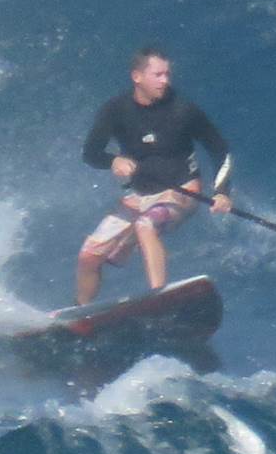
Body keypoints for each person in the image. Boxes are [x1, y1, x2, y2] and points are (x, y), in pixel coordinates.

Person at [76, 44, 235, 304]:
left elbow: (220, 150)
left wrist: (222, 192)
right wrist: (113, 160)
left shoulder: (183, 111)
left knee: (145, 225)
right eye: (158, 75)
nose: (165, 81)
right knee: (88, 255)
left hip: (182, 192)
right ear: (137, 76)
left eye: (167, 74)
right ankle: (79, 314)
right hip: (139, 196)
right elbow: (90, 153)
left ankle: (159, 300)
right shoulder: (115, 111)